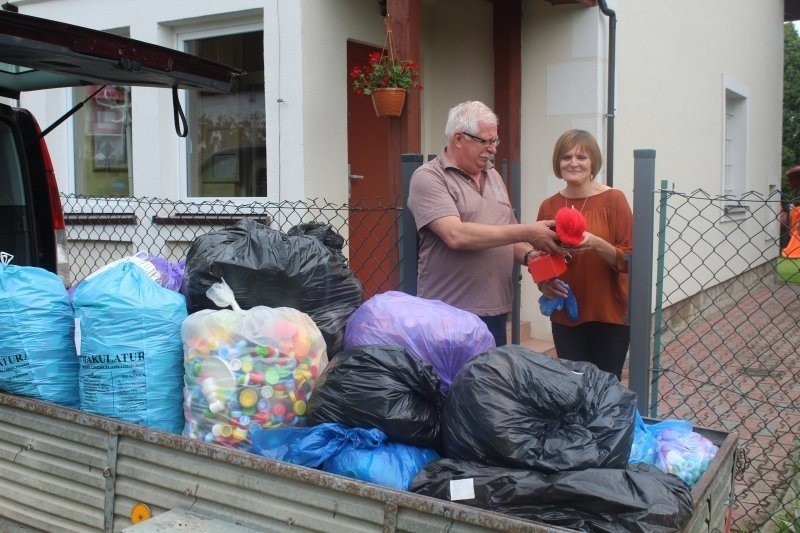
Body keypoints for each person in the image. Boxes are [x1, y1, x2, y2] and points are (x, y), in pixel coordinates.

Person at [407, 100, 562, 347]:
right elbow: (455, 235)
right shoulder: (429, 177)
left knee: (490, 384)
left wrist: (532, 257)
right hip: (448, 315)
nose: (492, 149)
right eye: (485, 141)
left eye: (494, 142)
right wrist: (530, 231)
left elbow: (509, 236)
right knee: (452, 386)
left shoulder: (493, 176)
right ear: (458, 139)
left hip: (495, 313)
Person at [536, 129, 633, 379]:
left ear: (593, 163)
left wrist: (598, 244)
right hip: (566, 314)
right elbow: (539, 259)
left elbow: (630, 259)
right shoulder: (549, 206)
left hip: (609, 313)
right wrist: (544, 284)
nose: (573, 163)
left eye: (582, 157)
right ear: (558, 163)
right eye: (566, 157)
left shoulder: (614, 200)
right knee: (573, 387)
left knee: (606, 387)